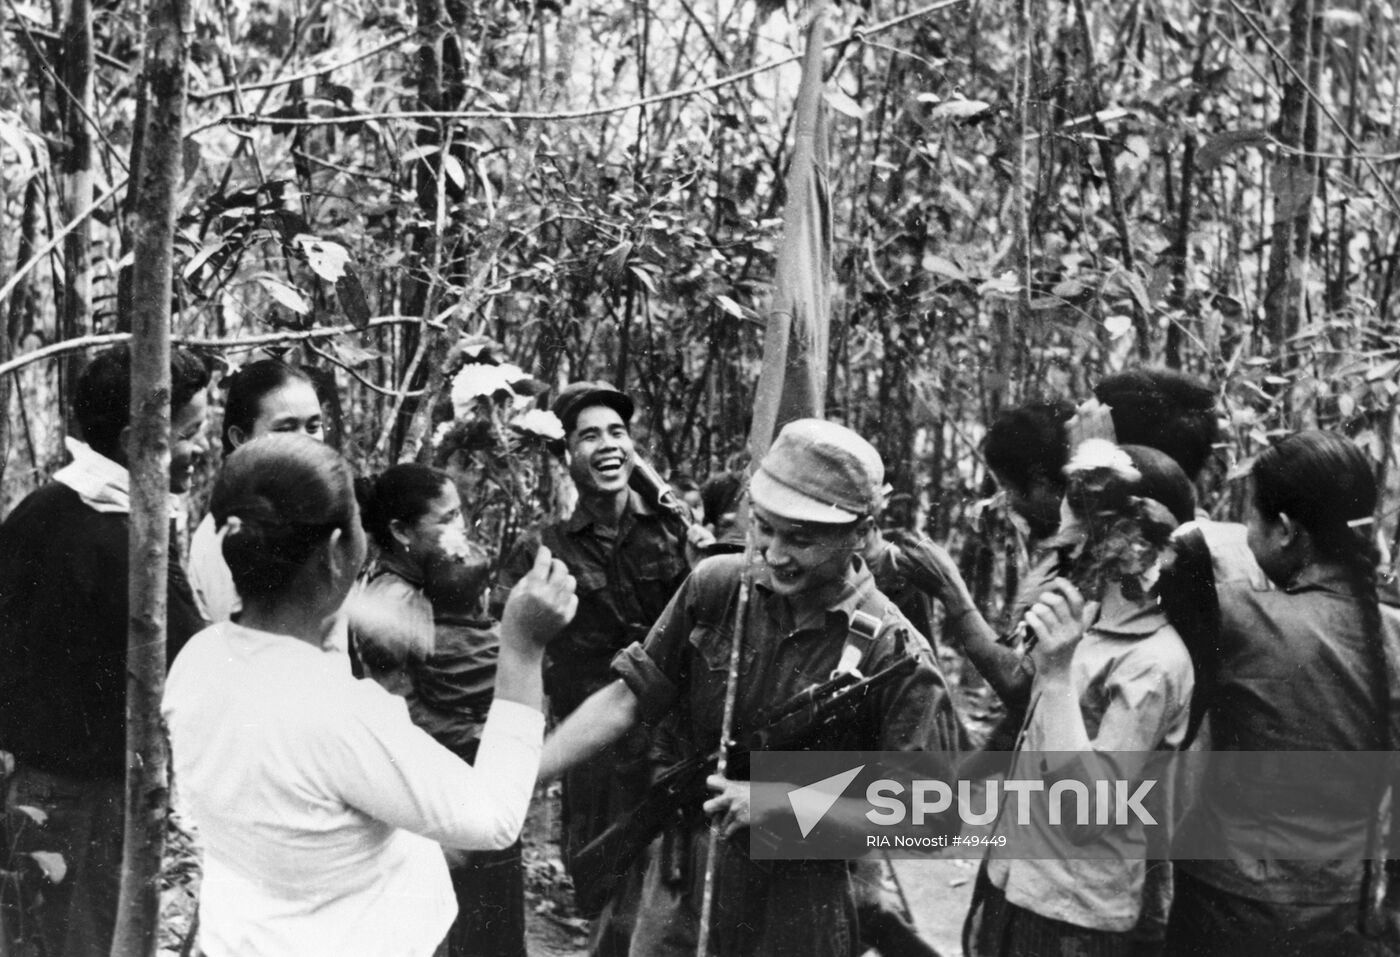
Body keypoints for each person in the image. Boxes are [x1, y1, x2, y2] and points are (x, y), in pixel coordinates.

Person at [538, 418, 962, 957]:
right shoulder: (718, 587)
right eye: (765, 527)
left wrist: (781, 805)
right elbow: (626, 699)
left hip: (801, 900)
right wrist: (521, 775)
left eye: (802, 538)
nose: (775, 553)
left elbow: (925, 815)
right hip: (683, 883)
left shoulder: (894, 655)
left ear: (860, 531)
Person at [162, 434, 577, 957]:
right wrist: (522, 648)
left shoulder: (197, 662)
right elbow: (492, 819)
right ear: (337, 554)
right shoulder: (339, 711)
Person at [0, 344, 211, 957]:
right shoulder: (120, 542)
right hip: (81, 800)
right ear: (134, 440)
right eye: (191, 433)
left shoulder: (41, 510)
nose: (200, 450)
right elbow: (193, 662)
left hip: (39, 788)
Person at [496, 381, 710, 956]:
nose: (608, 445)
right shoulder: (542, 548)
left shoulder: (675, 531)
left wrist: (702, 562)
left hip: (672, 744)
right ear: (567, 455)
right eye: (590, 435)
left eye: (618, 433)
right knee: (604, 892)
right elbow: (516, 650)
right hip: (595, 755)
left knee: (676, 891)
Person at [961, 442, 1197, 957]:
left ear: (1123, 542)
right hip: (1017, 885)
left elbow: (1086, 815)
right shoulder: (1088, 625)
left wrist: (1058, 674)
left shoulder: (1154, 663)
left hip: (1074, 917)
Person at [1165, 430, 1391, 956]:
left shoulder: (1241, 616)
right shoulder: (1393, 634)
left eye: (1251, 517)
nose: (1245, 532)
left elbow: (1180, 545)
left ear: (1287, 530)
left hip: (1229, 902)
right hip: (1338, 905)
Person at [348, 463, 525, 957]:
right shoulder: (392, 600)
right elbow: (397, 716)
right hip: (444, 794)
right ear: (402, 532)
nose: (461, 531)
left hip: (459, 785)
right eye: (445, 520)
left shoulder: (429, 585)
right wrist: (483, 737)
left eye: (460, 514)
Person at [188, 358, 325, 624]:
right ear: (240, 438)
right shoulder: (227, 531)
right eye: (285, 428)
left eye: (313, 427)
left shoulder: (301, 511)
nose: (305, 441)